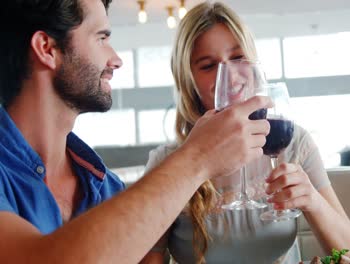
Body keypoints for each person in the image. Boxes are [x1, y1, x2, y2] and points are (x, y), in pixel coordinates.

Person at [0, 0, 271, 263]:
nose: (115, 59)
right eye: (101, 38)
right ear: (47, 49)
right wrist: (198, 157)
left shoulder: (107, 188)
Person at [143, 2, 350, 264]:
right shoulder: (166, 162)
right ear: (187, 79)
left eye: (237, 58)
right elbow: (150, 258)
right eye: (207, 65)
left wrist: (313, 201)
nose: (230, 76)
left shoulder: (294, 144)